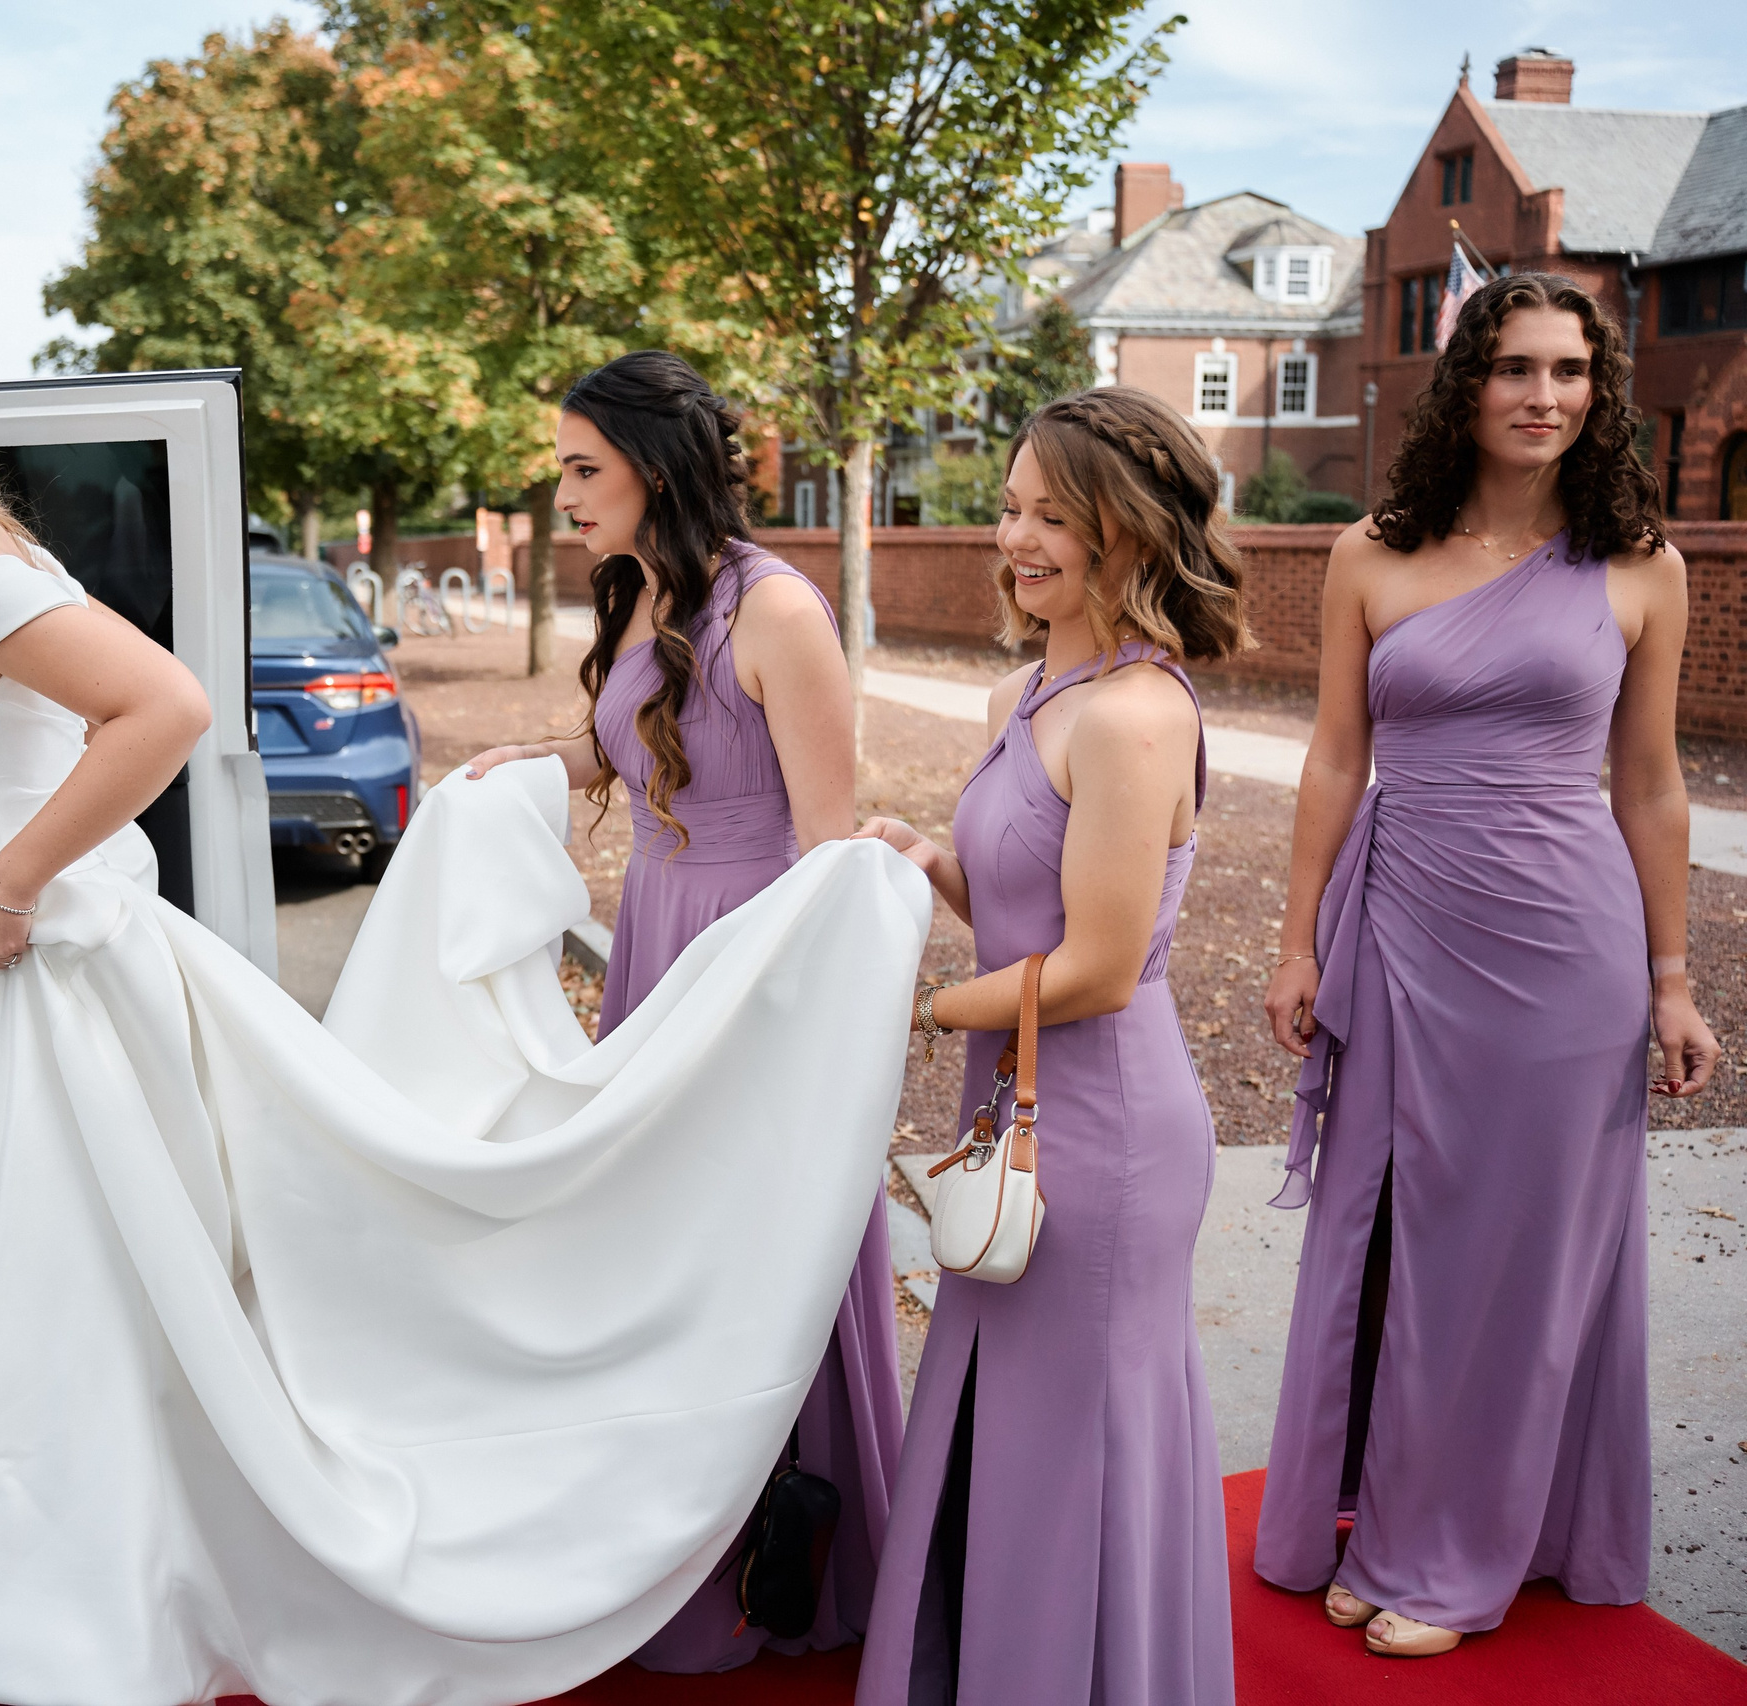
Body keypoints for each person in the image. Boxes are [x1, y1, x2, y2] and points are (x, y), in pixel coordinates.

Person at [0, 268, 935, 1706]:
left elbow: (162, 707)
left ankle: (24, 1607)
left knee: (8, 1302)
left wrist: (7, 884)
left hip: (6, 959)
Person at [1254, 273, 1720, 1657]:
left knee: (1514, 1262)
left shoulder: (1643, 566)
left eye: (1572, 371)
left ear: (1601, 389)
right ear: (1466, 384)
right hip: (1401, 927)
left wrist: (1675, 976)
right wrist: (1296, 935)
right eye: (1516, 367)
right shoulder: (1370, 556)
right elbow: (1338, 757)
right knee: (1392, 1240)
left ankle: (1450, 1554)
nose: (1545, 395)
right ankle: (1382, 1513)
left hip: (1568, 958)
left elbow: (1651, 785)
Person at [464, 349, 901, 1671]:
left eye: (582, 467)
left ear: (654, 467)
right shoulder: (646, 585)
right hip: (657, 939)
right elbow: (631, 733)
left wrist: (797, 1037)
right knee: (662, 1252)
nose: (564, 491)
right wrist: (533, 761)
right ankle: (673, 1555)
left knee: (758, 1247)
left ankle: (800, 1561)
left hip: (750, 971)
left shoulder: (778, 611)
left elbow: (832, 848)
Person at [849, 387, 1244, 1705]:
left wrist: (915, 1007)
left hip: (1104, 1126)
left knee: (1076, 1443)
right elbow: (1018, 893)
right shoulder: (1027, 690)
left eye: (1048, 515)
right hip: (1009, 1099)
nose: (1012, 536)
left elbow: (1097, 967)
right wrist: (924, 860)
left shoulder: (1139, 712)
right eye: (1009, 507)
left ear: (1125, 534)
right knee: (1002, 1434)